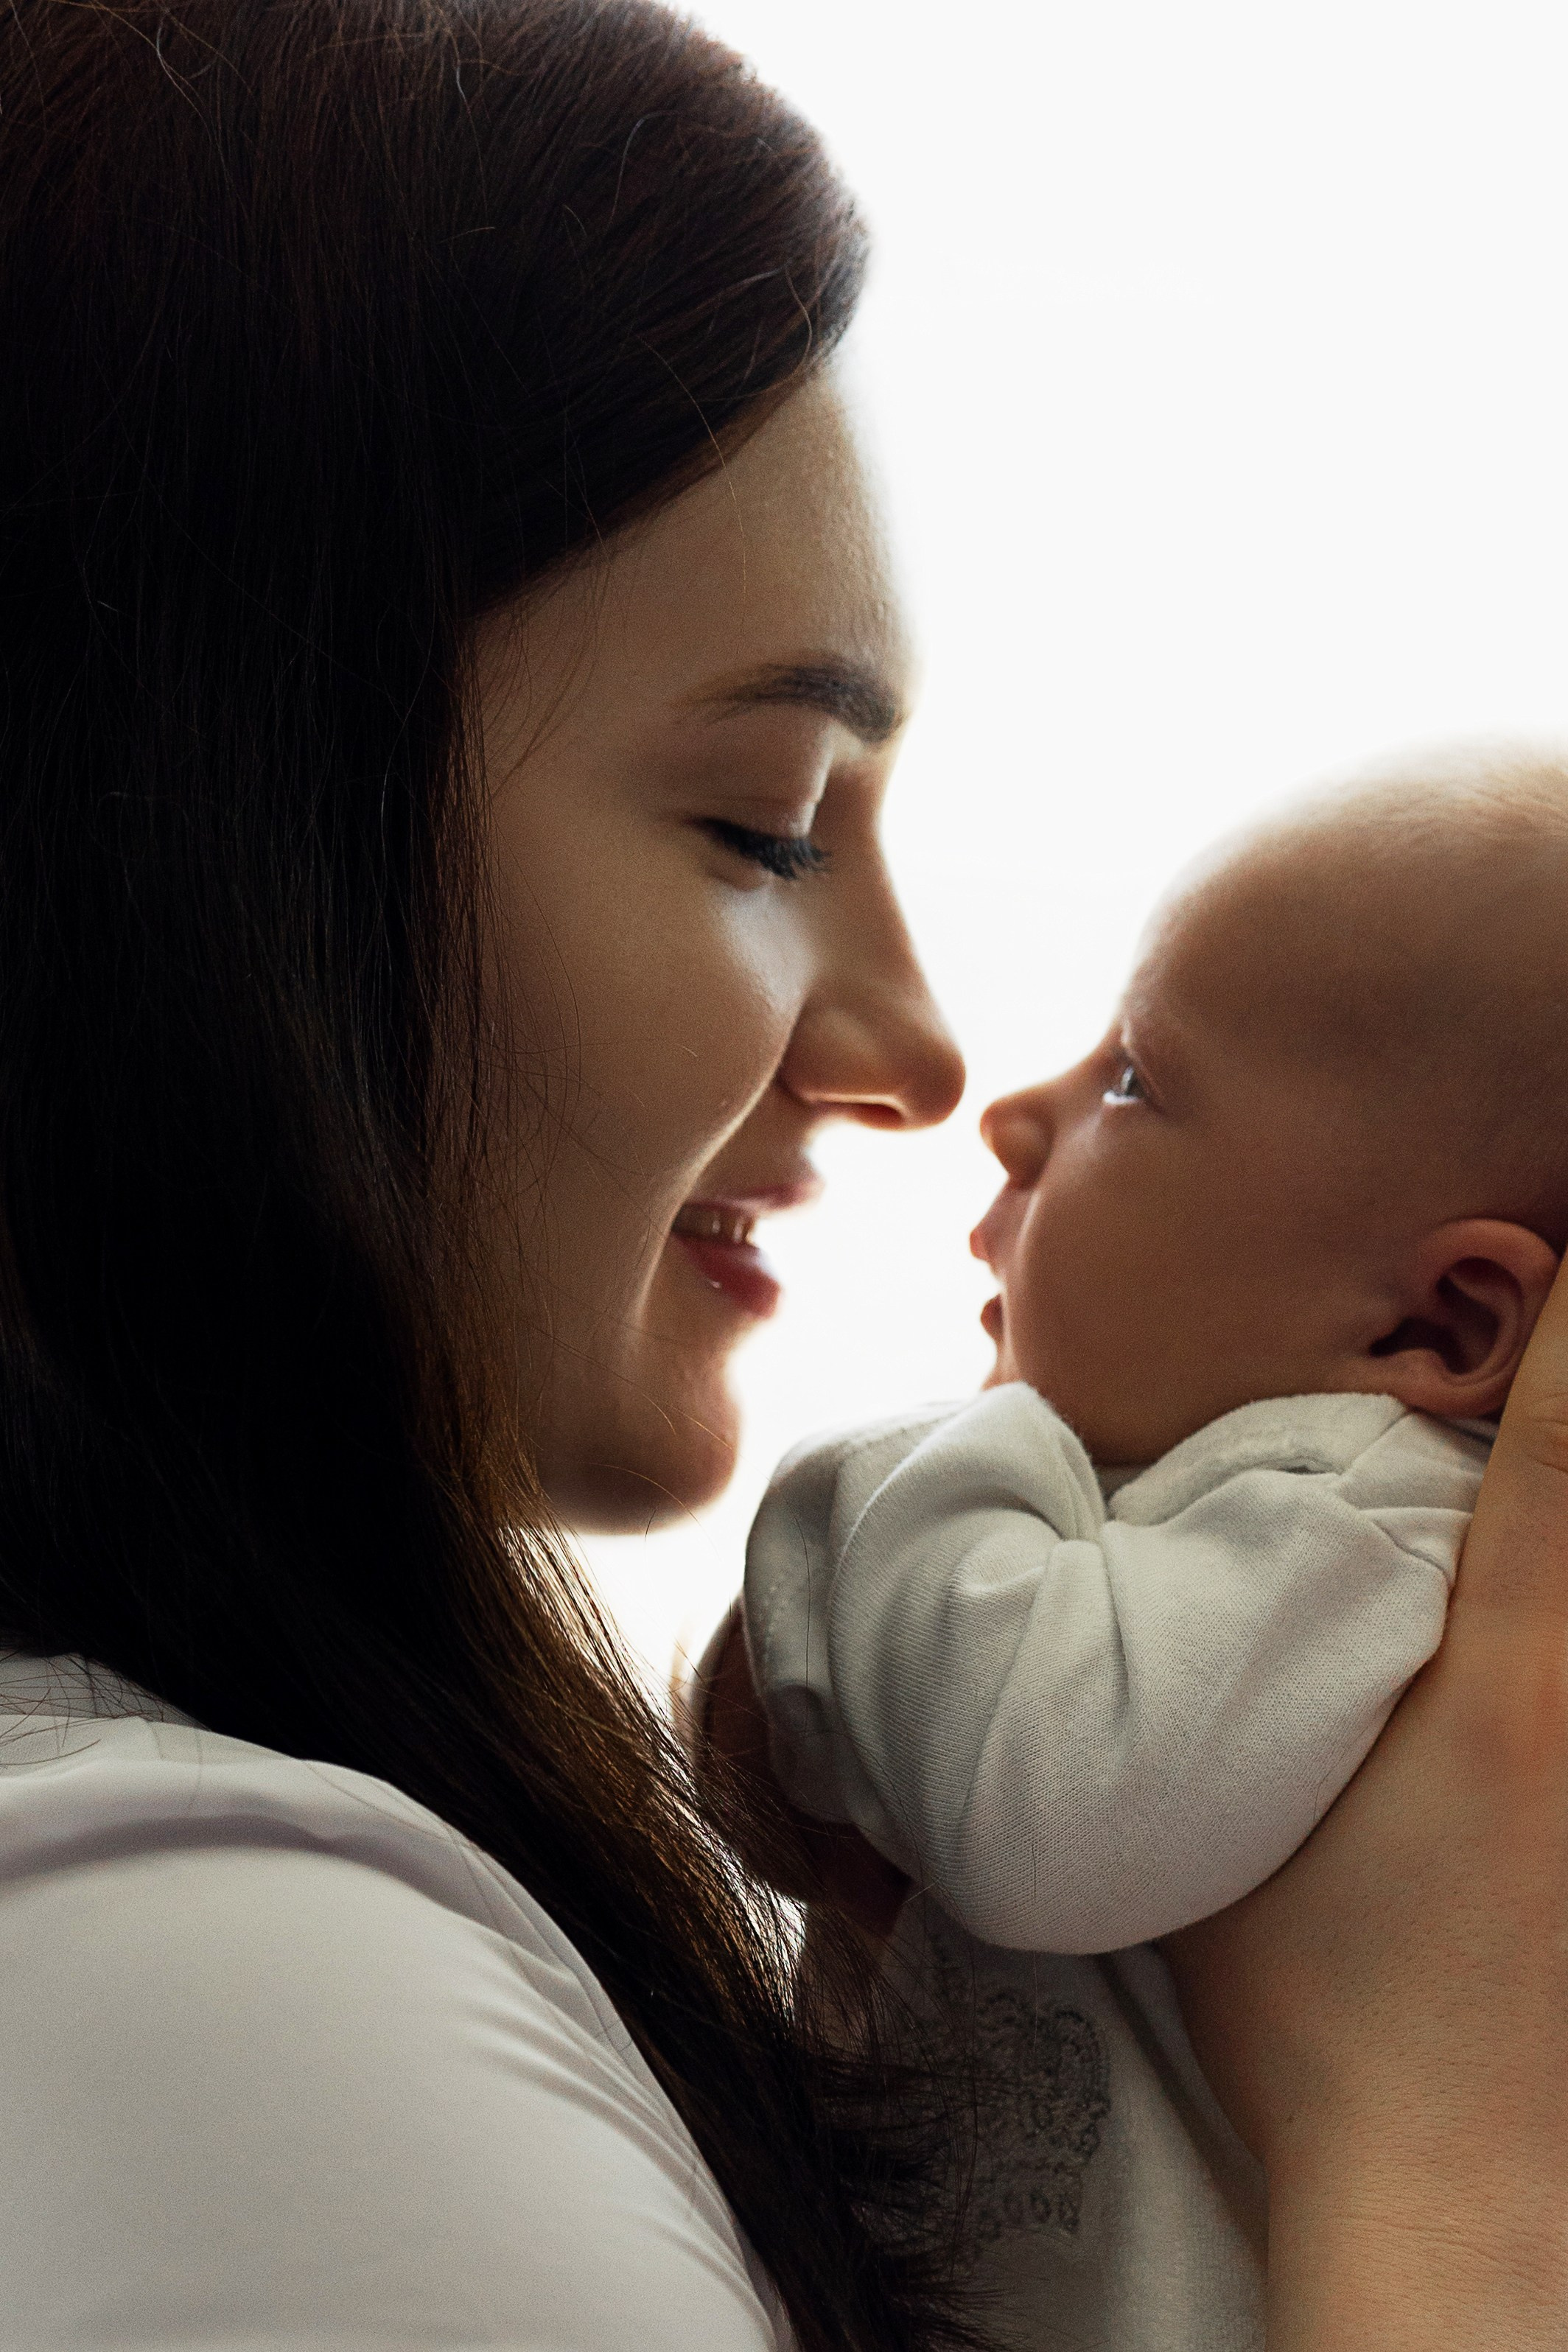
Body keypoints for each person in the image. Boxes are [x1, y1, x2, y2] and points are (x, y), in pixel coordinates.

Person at [0, 2, 1562, 2348]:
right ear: (194, 834)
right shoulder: (208, 1971)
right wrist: (1446, 2129)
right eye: (760, 822)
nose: (930, 1054)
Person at [736, 756, 1568, 2346]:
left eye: (1132, 1080)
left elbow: (1043, 1818)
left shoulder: (1348, 1513)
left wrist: (909, 1464)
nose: (1016, 1112)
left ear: (1436, 1320)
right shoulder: (1239, 1539)